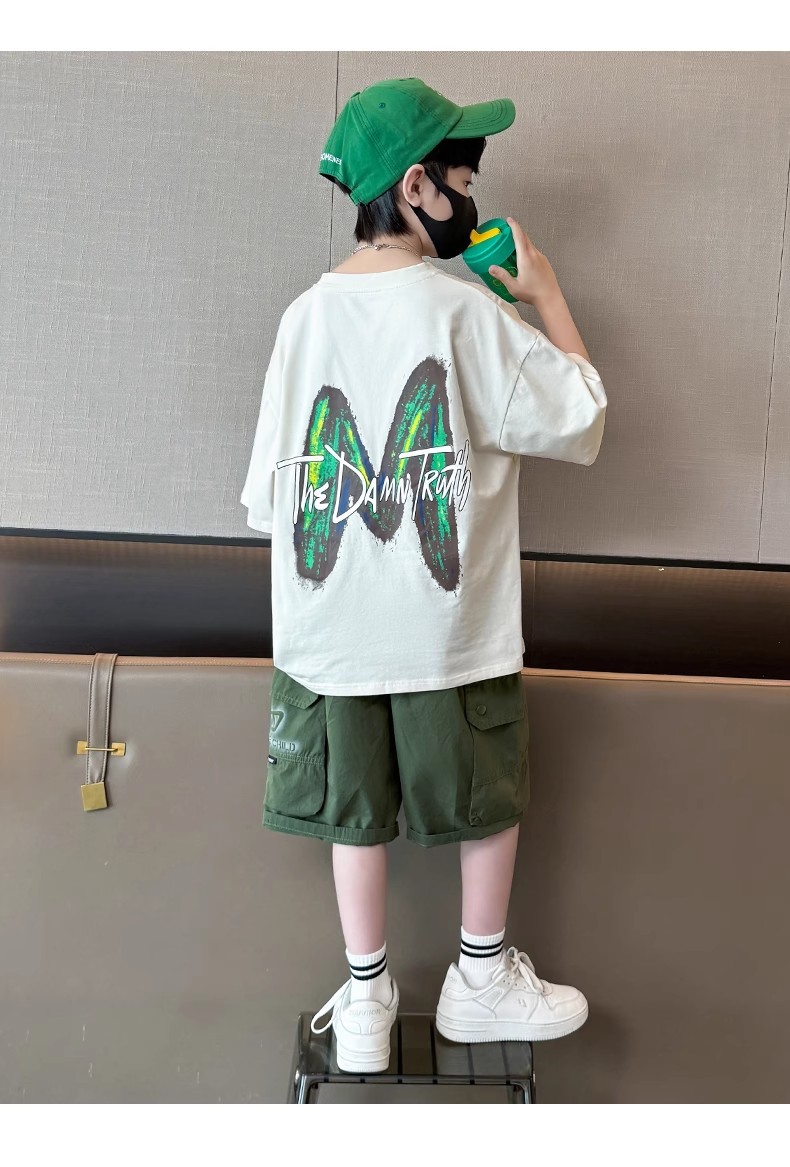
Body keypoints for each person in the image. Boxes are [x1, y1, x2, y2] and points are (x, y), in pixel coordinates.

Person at [240, 77, 607, 1074]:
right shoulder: (464, 311)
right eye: (463, 181)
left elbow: (269, 500)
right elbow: (581, 414)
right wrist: (545, 295)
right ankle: (479, 976)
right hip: (450, 634)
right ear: (415, 188)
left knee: (352, 813)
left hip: (328, 640)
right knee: (487, 795)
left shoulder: (301, 320)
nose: (471, 200)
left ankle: (366, 997)